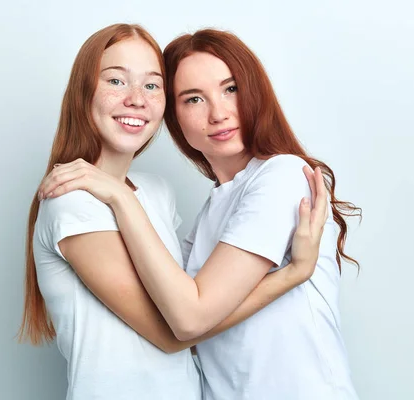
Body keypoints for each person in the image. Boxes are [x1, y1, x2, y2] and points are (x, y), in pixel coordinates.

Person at [42, 29, 362, 399]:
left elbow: (189, 320)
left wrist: (120, 196)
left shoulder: (283, 175)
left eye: (231, 89)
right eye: (194, 99)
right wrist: (292, 274)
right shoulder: (209, 212)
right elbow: (183, 324)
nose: (219, 113)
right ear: (174, 117)